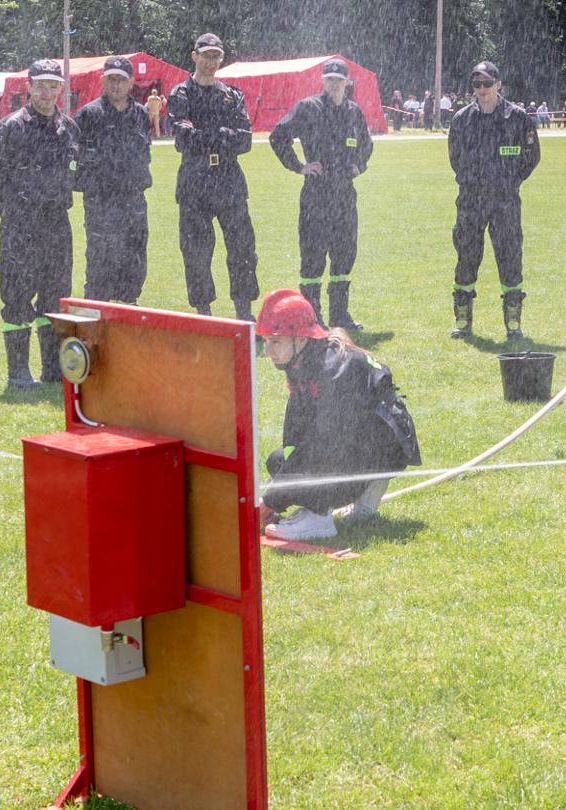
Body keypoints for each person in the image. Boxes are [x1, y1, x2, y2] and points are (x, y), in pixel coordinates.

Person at [257, 289, 422, 542]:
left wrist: (269, 502)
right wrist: (275, 493)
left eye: (275, 342)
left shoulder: (335, 371)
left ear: (301, 340)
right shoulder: (304, 363)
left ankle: (320, 517)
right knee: (278, 461)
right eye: (266, 341)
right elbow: (297, 435)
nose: (268, 351)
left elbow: (326, 446)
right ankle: (346, 499)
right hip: (363, 443)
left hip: (382, 451)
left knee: (312, 458)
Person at [0, 59, 79, 390]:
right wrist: (13, 213)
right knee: (17, 299)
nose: (47, 92)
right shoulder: (11, 128)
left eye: (54, 86)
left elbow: (76, 173)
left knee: (55, 298)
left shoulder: (70, 129)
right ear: (29, 87)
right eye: (41, 85)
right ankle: (19, 372)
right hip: (21, 225)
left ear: (61, 90)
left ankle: (52, 369)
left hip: (56, 225)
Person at [270, 58, 375, 331]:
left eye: (339, 80)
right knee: (313, 256)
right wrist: (299, 166)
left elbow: (366, 144)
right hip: (316, 193)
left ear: (347, 82)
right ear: (322, 81)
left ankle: (340, 315)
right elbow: (278, 136)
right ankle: (311, 317)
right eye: (329, 79)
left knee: (344, 254)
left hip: (344, 194)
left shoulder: (354, 112)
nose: (334, 85)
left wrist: (358, 165)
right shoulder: (308, 108)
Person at [168, 33, 260, 321]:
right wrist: (222, 134)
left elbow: (245, 140)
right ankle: (203, 312)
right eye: (205, 56)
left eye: (216, 56)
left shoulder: (232, 95)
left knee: (242, 247)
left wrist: (206, 134)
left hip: (229, 178)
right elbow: (183, 139)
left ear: (221, 59)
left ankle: (244, 311)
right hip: (195, 180)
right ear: (194, 56)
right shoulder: (181, 94)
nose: (211, 62)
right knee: (196, 250)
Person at [447, 61, 541, 340]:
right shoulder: (462, 119)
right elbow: (455, 157)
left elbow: (531, 156)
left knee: (510, 256)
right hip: (471, 200)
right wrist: (472, 181)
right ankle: (463, 323)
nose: (482, 89)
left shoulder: (518, 118)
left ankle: (513, 325)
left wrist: (510, 182)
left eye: (487, 83)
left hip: (505, 201)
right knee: (466, 257)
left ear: (499, 84)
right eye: (477, 84)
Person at [75, 56, 154, 305]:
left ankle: (129, 307)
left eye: (121, 80)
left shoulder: (140, 114)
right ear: (103, 81)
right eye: (111, 80)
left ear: (131, 82)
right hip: (101, 202)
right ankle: (96, 319)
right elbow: (74, 159)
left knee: (135, 260)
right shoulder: (89, 115)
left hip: (133, 201)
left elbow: (144, 155)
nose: (116, 85)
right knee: (100, 262)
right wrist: (93, 185)